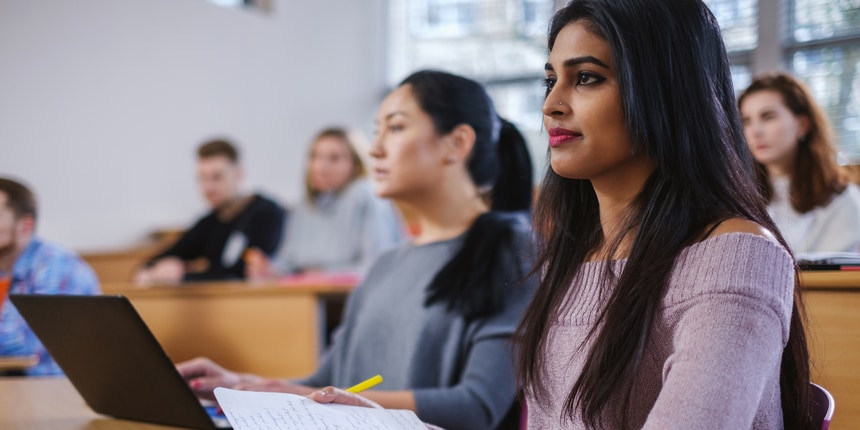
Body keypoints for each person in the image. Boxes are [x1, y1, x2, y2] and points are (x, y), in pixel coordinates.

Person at [509, 0, 812, 429]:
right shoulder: (575, 253)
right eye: (551, 80)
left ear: (666, 90)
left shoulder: (737, 258)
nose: (552, 104)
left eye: (587, 78)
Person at [176, 70, 536, 430]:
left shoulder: (514, 249)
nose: (375, 148)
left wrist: (315, 398)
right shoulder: (386, 264)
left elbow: (476, 406)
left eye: (394, 128)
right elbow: (327, 381)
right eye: (376, 130)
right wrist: (239, 386)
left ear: (456, 143)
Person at [245, 128, 403, 279]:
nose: (321, 166)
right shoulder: (303, 205)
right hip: (307, 295)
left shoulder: (365, 195)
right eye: (315, 156)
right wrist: (269, 270)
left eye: (334, 158)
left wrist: (320, 275)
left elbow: (377, 266)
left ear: (355, 165)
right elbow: (288, 262)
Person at [739, 72, 860, 254]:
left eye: (768, 116)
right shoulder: (740, 197)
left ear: (802, 125)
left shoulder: (840, 198)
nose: (755, 131)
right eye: (746, 120)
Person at [135, 139, 286, 283]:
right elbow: (160, 259)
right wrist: (153, 271)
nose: (208, 188)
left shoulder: (267, 213)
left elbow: (240, 275)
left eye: (217, 177)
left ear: (239, 175)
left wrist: (183, 277)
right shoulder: (209, 221)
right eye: (202, 178)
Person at [0, 177, 101, 376]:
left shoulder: (55, 267)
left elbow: (27, 348)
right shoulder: (6, 270)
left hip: (56, 391)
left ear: (25, 225)